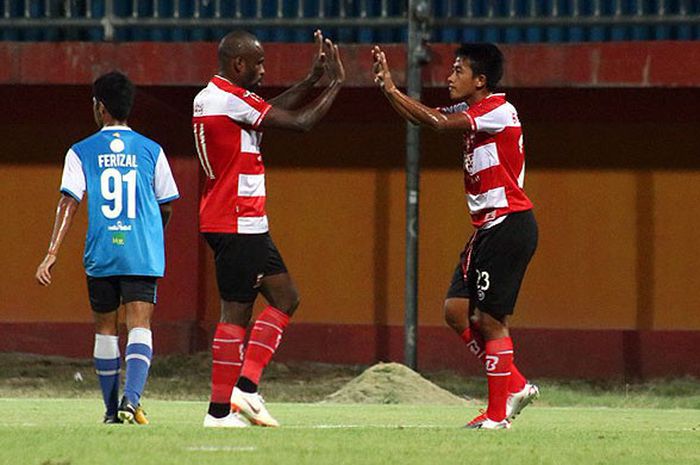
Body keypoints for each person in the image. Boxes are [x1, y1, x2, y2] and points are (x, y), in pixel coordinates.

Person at [372, 43, 539, 430]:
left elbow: (436, 123)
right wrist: (388, 90)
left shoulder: (498, 110)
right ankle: (513, 384)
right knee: (456, 310)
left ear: (481, 80)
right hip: (487, 227)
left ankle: (497, 416)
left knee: (491, 320)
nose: (450, 76)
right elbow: (426, 118)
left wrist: (396, 91)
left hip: (508, 223)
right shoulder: (474, 110)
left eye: (459, 70)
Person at [193, 29, 344, 428]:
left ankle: (246, 387)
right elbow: (301, 122)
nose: (263, 69)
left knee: (285, 297)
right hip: (237, 221)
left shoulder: (214, 96)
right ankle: (219, 411)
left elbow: (264, 110)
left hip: (240, 220)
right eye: (258, 63)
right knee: (235, 315)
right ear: (238, 64)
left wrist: (311, 81)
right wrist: (336, 86)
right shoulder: (232, 99)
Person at [35, 71, 180, 425]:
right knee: (140, 324)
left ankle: (111, 411)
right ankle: (132, 400)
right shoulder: (152, 150)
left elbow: (67, 202)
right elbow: (167, 204)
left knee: (105, 328)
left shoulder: (80, 151)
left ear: (100, 108)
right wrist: (146, 232)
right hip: (140, 253)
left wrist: (52, 252)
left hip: (102, 252)